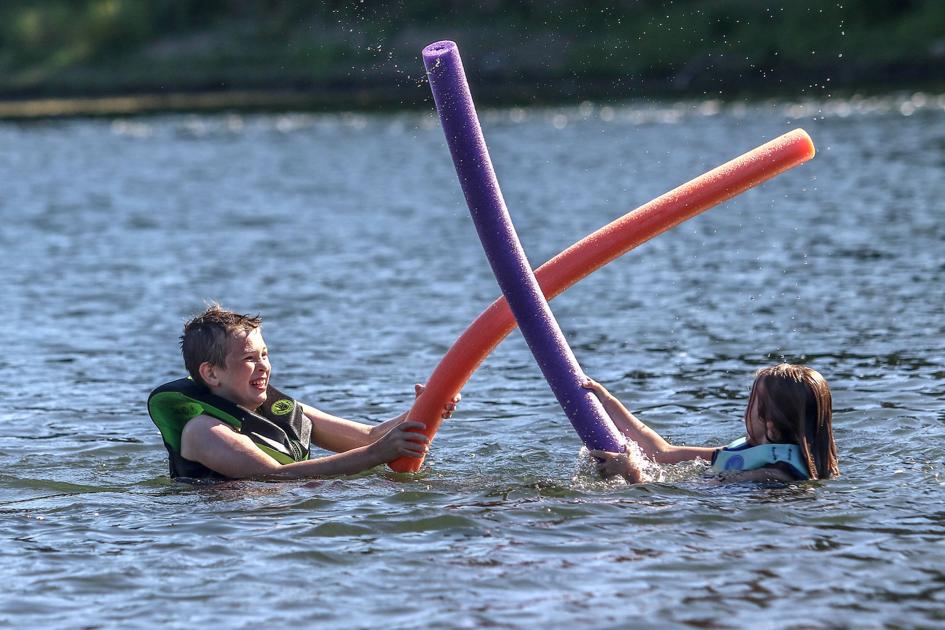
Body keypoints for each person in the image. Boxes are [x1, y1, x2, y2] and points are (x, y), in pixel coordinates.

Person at [148, 304, 459, 481]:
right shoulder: (203, 430)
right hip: (238, 534)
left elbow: (367, 437)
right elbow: (272, 476)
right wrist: (378, 455)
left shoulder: (278, 408)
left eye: (265, 355)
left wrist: (427, 407)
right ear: (211, 372)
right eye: (249, 359)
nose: (263, 367)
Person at [583, 364, 839, 483]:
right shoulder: (755, 452)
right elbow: (662, 452)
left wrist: (631, 473)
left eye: (752, 400)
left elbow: (676, 504)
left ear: (770, 425)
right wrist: (607, 400)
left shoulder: (768, 475)